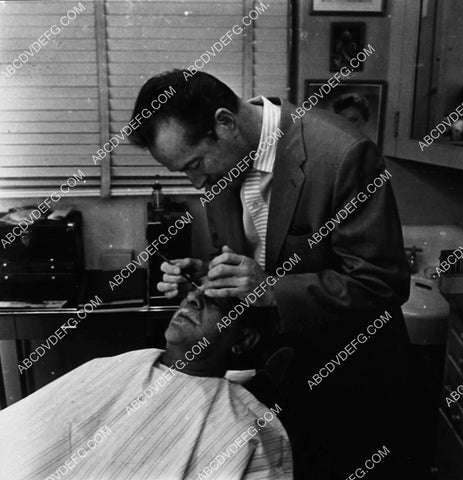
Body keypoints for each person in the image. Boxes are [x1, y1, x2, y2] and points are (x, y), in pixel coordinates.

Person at [129, 70, 411, 479]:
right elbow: (252, 259)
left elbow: (383, 282)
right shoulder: (223, 166)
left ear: (225, 123)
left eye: (195, 164)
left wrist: (271, 289)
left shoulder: (344, 154)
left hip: (350, 377)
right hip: (279, 376)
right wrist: (209, 275)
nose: (196, 181)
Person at [0, 290, 293, 480]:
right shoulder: (112, 368)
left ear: (243, 341)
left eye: (215, 303)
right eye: (194, 290)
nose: (191, 299)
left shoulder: (242, 426)